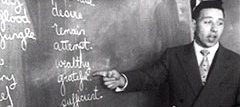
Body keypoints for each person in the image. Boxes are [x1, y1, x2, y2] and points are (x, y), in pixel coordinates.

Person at [93, 1, 240, 107]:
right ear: (194, 24)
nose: (215, 29)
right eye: (208, 22)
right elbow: (149, 77)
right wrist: (122, 80)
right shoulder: (174, 56)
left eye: (220, 23)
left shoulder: (236, 62)